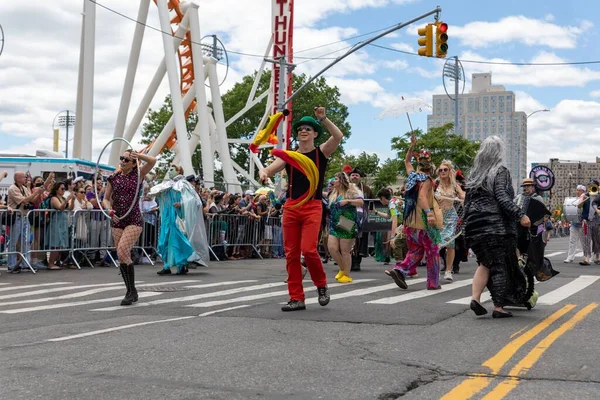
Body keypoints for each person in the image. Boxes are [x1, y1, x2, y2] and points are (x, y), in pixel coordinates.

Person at [259, 106, 343, 311]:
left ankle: (321, 285)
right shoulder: (289, 155)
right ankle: (296, 298)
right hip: (291, 207)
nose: (303, 131)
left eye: (308, 128)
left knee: (309, 250)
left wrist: (323, 118)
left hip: (312, 206)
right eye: (300, 129)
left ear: (314, 133)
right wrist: (264, 172)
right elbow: (271, 167)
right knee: (292, 254)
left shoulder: (320, 152)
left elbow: (338, 136)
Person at [464, 135, 532, 318]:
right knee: (499, 264)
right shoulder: (500, 171)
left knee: (485, 262)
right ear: (499, 152)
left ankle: (475, 299)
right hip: (495, 226)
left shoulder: (474, 175)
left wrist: (464, 229)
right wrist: (521, 215)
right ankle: (498, 307)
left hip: (474, 226)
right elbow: (502, 197)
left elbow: (467, 203)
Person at [387, 134, 442, 291]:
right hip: (424, 223)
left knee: (415, 251)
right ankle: (433, 283)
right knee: (432, 252)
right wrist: (429, 213)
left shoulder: (412, 176)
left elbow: (406, 161)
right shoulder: (426, 180)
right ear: (430, 166)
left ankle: (400, 270)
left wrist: (412, 146)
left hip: (410, 223)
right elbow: (423, 197)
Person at [103, 150, 156, 306]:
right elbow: (106, 199)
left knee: (122, 250)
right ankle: (131, 291)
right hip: (117, 218)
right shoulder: (113, 178)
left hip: (133, 218)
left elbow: (152, 161)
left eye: (127, 159)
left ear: (133, 163)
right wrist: (109, 210)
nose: (123, 161)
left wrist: (139, 156)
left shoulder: (138, 174)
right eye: (122, 158)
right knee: (122, 256)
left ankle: (131, 291)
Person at [151, 164, 210, 275]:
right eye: (169, 169)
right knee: (165, 240)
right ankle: (167, 266)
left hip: (178, 217)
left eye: (172, 169)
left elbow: (194, 201)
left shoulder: (184, 185)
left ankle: (181, 266)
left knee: (178, 241)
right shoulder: (167, 184)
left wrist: (182, 204)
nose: (170, 171)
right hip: (167, 217)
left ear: (179, 171)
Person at [327, 172, 364, 283]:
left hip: (347, 223)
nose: (334, 181)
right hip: (335, 224)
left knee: (345, 251)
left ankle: (346, 274)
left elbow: (361, 202)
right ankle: (343, 268)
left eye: (336, 178)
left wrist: (348, 201)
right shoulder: (333, 193)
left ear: (341, 180)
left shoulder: (351, 190)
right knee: (332, 248)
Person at [6, 172, 45, 272]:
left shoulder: (23, 188)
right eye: (24, 177)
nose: (26, 179)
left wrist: (39, 192)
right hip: (16, 217)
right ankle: (12, 264)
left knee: (26, 241)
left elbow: (31, 200)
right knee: (14, 242)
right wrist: (36, 193)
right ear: (18, 178)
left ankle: (25, 263)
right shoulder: (13, 188)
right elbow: (24, 201)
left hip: (24, 216)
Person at [435, 160, 465, 282]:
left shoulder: (454, 185)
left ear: (449, 171)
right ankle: (434, 270)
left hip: (451, 216)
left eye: (445, 170)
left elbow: (463, 195)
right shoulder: (435, 184)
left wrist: (463, 198)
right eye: (440, 170)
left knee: (450, 244)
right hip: (438, 215)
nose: (442, 172)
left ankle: (448, 270)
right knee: (436, 245)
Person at [348, 167, 374, 271]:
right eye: (353, 175)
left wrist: (371, 210)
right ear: (349, 177)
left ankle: (356, 262)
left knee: (359, 239)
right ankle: (347, 261)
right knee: (347, 238)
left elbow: (372, 201)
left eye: (356, 175)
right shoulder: (345, 187)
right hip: (347, 215)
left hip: (362, 217)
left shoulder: (366, 189)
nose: (354, 177)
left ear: (360, 178)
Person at [564, 185, 586, 263]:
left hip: (583, 224)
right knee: (572, 241)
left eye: (579, 190)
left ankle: (587, 257)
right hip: (574, 223)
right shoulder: (574, 200)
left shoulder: (586, 199)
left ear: (583, 191)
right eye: (577, 190)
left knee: (585, 242)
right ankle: (570, 257)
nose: (577, 191)